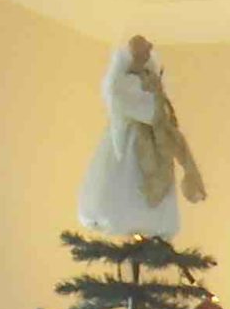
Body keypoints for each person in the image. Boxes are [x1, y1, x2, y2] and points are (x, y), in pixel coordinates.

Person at [78, 34, 207, 238]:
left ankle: (150, 225)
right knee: (131, 179)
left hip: (156, 142)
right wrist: (157, 110)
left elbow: (161, 109)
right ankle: (131, 223)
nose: (147, 53)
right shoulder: (124, 83)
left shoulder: (151, 79)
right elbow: (138, 106)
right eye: (142, 50)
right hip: (135, 142)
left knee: (156, 176)